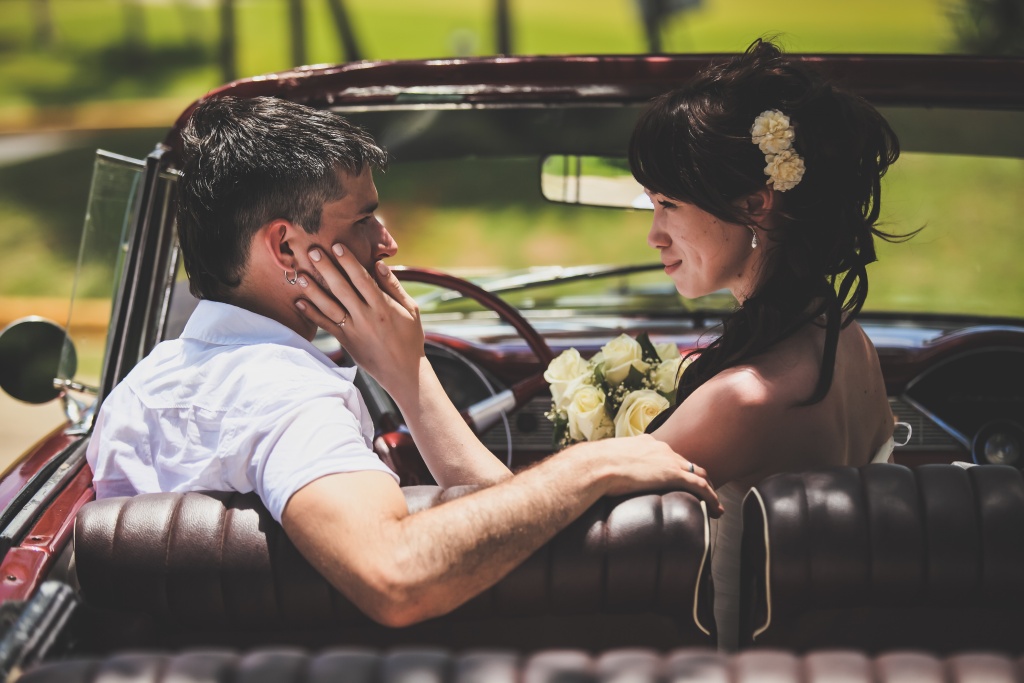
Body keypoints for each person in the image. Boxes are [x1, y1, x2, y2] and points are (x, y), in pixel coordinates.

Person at [86, 95, 721, 629]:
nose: (387, 242)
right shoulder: (284, 396)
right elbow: (395, 574)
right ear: (286, 247)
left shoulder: (139, 389)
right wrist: (592, 464)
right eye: (363, 218)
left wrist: (406, 375)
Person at [628, 39, 911, 649]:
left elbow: (531, 529)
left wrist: (417, 376)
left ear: (756, 206)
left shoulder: (744, 400)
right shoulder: (849, 343)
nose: (654, 234)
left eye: (668, 204)